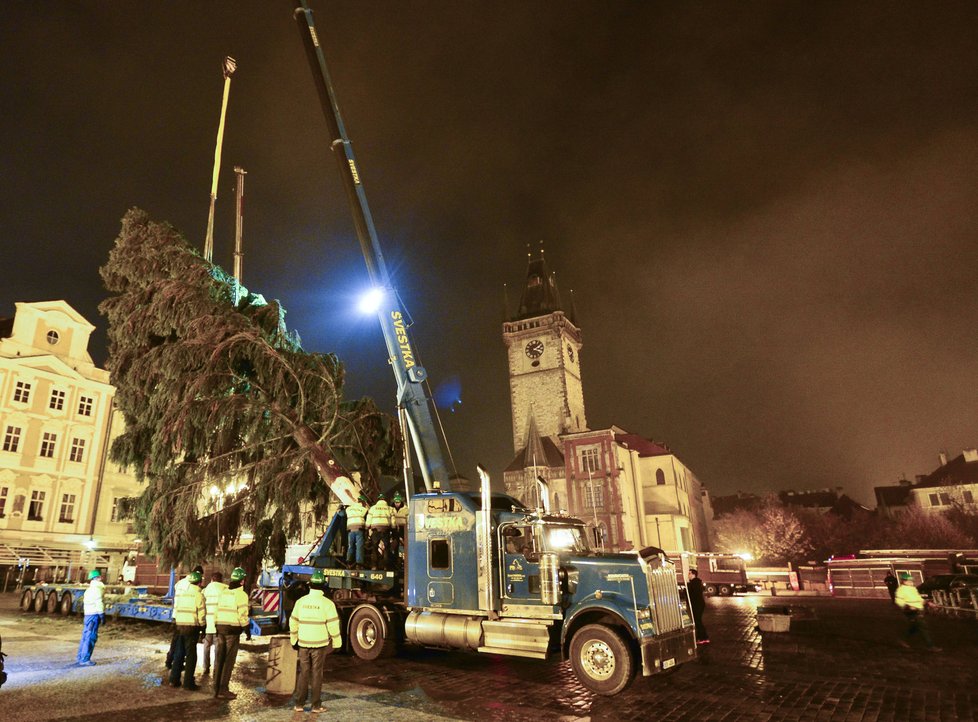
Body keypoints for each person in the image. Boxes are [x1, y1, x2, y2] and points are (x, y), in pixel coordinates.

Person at [290, 570, 342, 713]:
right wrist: (337, 642)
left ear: (310, 585)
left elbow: (293, 622)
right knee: (317, 673)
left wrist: (294, 639)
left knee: (304, 672)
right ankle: (316, 706)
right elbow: (333, 625)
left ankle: (299, 704)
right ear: (323, 585)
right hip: (319, 644)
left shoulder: (301, 602)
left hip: (303, 643)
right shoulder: (328, 604)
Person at [213, 567, 250, 700]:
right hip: (232, 631)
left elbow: (216, 611)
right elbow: (242, 615)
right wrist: (247, 629)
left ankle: (215, 688)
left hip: (220, 629)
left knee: (219, 660)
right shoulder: (241, 595)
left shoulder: (223, 593)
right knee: (228, 661)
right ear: (242, 581)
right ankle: (223, 690)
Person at [169, 570, 206, 690]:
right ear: (200, 583)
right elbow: (201, 614)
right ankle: (188, 683)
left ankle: (174, 680)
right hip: (192, 628)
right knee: (191, 656)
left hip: (180, 627)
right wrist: (202, 626)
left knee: (179, 654)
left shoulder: (183, 594)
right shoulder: (199, 595)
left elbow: (177, 608)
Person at [894, 572, 940, 652]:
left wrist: (928, 603)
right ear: (904, 581)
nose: (912, 582)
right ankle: (930, 646)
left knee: (914, 627)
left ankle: (903, 640)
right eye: (909, 581)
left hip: (918, 610)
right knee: (923, 627)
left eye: (911, 580)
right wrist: (907, 607)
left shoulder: (913, 589)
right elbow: (898, 600)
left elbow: (919, 598)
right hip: (911, 612)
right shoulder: (901, 590)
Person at [76, 569, 105, 666]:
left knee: (85, 636)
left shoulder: (89, 590)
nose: (101, 578)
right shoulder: (97, 589)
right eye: (100, 577)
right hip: (94, 616)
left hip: (88, 615)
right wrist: (102, 615)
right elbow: (98, 602)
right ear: (97, 578)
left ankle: (80, 657)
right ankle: (85, 659)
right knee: (90, 637)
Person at [201, 571, 227, 676]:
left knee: (206, 646)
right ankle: (216, 669)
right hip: (219, 623)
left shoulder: (205, 590)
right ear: (221, 579)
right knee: (218, 647)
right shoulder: (225, 589)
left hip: (208, 623)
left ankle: (206, 667)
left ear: (212, 579)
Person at [366, 493, 394, 570]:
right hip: (385, 529)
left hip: (375, 530)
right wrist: (393, 528)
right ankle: (386, 566)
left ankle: (374, 566)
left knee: (375, 548)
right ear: (385, 500)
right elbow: (393, 521)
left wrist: (368, 526)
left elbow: (368, 520)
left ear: (378, 500)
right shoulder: (390, 508)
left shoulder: (372, 508)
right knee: (386, 548)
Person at [686, 569, 709, 645]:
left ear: (693, 574)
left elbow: (692, 594)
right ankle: (703, 637)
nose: (688, 575)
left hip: (697, 604)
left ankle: (702, 638)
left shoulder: (694, 583)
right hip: (699, 604)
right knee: (698, 621)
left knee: (697, 621)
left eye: (689, 574)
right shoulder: (697, 582)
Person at [345, 494, 369, 568]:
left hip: (350, 530)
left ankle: (348, 562)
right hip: (359, 529)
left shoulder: (349, 509)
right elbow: (367, 520)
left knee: (350, 546)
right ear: (363, 502)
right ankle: (359, 563)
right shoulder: (364, 509)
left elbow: (343, 514)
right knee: (359, 546)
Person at [389, 492, 408, 563]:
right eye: (396, 502)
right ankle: (395, 558)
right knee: (395, 543)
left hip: (403, 529)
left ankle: (405, 557)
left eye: (398, 502)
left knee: (404, 543)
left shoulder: (406, 509)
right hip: (394, 529)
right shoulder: (390, 509)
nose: (397, 504)